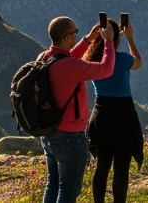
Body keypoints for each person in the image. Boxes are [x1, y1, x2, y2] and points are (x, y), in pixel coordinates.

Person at [40, 17, 116, 203]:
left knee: (54, 184)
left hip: (49, 132)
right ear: (67, 38)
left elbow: (68, 56)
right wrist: (108, 41)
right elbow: (106, 69)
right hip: (70, 136)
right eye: (75, 32)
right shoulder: (71, 66)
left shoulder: (45, 58)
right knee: (68, 191)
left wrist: (89, 39)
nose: (77, 34)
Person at [84, 19, 144, 203]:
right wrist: (130, 38)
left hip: (101, 113)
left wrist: (112, 38)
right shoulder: (124, 59)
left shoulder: (92, 60)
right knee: (121, 168)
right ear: (116, 39)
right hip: (124, 115)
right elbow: (138, 63)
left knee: (102, 165)